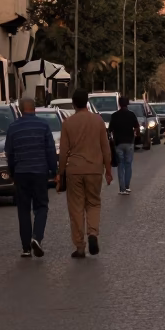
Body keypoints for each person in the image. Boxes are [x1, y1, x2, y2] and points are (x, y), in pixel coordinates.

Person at [57, 88, 114, 257]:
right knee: (94, 203)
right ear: (87, 103)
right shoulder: (98, 121)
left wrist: (61, 173)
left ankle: (80, 246)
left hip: (74, 170)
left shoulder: (68, 123)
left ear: (73, 104)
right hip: (95, 169)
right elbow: (105, 148)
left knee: (76, 208)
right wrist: (108, 171)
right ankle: (93, 233)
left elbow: (63, 152)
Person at [4, 96, 57, 258]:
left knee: (23, 209)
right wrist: (54, 171)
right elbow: (50, 150)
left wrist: (12, 172)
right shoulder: (43, 125)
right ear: (34, 108)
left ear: (19, 109)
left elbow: (9, 153)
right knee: (41, 206)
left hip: (21, 173)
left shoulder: (13, 127)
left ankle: (26, 248)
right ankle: (37, 237)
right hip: (40, 172)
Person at [110, 95, 141, 195]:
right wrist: (136, 135)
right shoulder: (131, 115)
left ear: (119, 104)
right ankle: (127, 186)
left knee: (120, 165)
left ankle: (122, 188)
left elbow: (109, 130)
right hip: (129, 143)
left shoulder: (114, 115)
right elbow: (137, 127)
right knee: (128, 165)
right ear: (127, 104)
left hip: (118, 143)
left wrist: (112, 138)